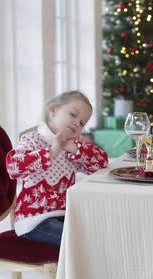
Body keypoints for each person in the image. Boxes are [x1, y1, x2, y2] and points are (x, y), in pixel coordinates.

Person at [6, 90, 108, 247]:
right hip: (34, 221)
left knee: (100, 230)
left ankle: (80, 271)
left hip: (64, 216)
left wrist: (73, 149)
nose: (76, 123)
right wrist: (51, 152)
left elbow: (101, 163)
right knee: (81, 242)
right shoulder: (33, 139)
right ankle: (78, 271)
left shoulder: (74, 147)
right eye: (73, 115)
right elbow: (13, 168)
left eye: (82, 123)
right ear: (53, 111)